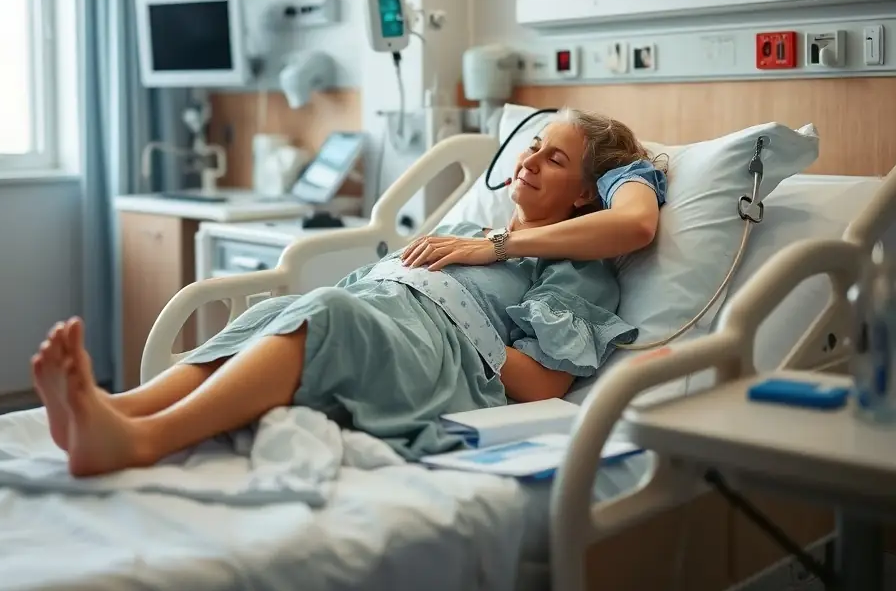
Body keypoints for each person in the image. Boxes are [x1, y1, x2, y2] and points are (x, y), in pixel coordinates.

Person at [32, 109, 668, 477]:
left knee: (327, 313)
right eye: (533, 145)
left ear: (587, 194)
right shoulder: (476, 228)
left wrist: (458, 297)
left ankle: (146, 441)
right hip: (388, 318)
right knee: (282, 308)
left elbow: (544, 384)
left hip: (446, 360)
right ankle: (122, 410)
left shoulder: (577, 266)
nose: (529, 161)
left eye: (555, 160)